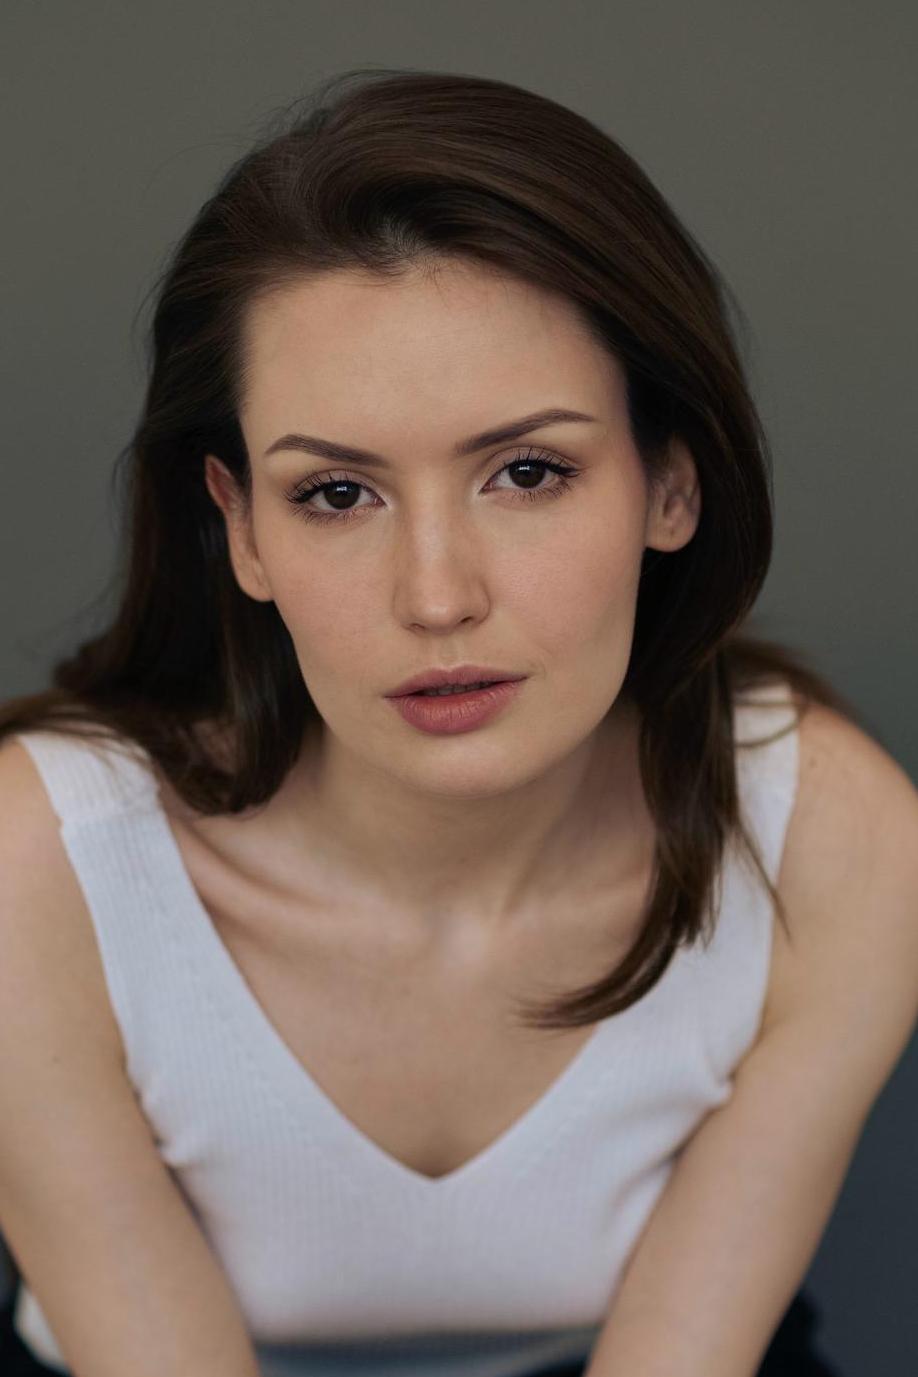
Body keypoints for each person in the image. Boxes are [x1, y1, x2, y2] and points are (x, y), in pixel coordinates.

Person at [0, 66, 915, 1377]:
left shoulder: (831, 839)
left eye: (527, 471)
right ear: (241, 529)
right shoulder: (42, 866)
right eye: (335, 495)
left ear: (671, 482)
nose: (437, 597)